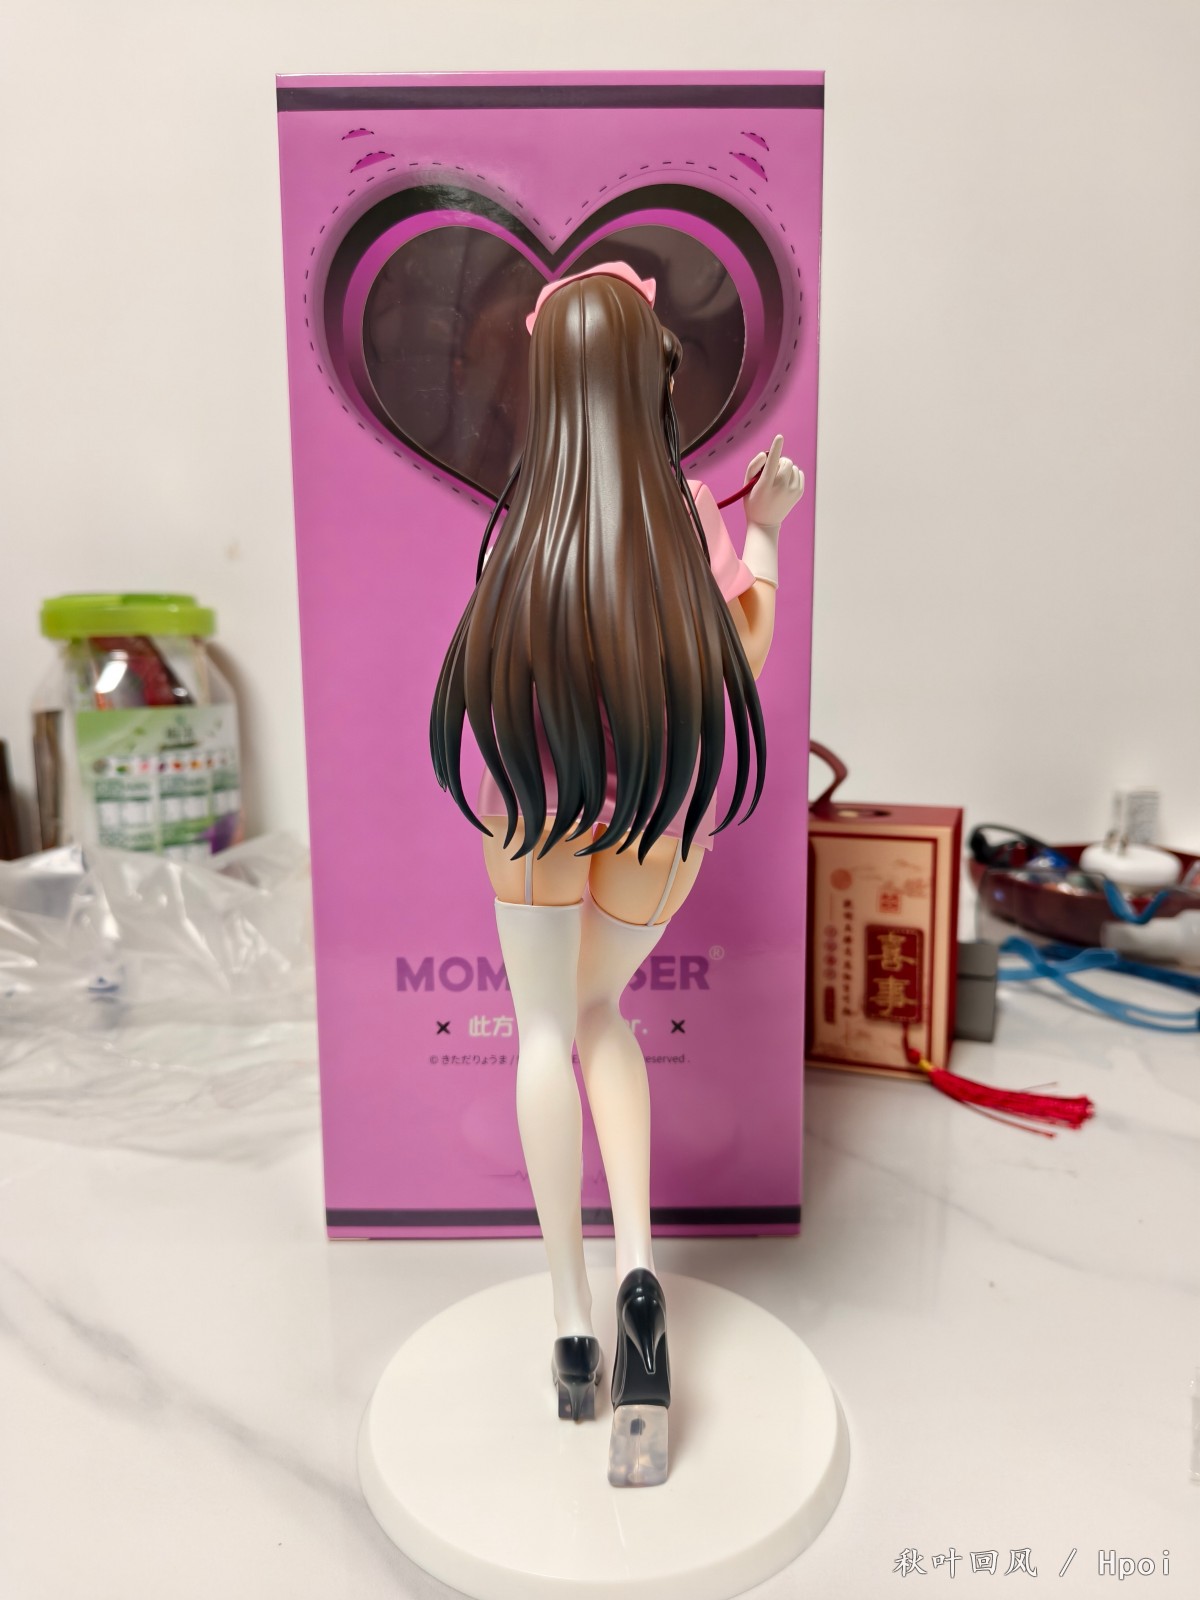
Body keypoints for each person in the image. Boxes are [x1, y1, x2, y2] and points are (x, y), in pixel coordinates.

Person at [430, 261, 804, 1486]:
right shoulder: (687, 513)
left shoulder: (523, 529)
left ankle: (571, 1322)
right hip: (655, 822)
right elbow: (743, 654)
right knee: (602, 1012)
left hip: (536, 814)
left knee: (545, 1027)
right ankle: (642, 1266)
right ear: (653, 375)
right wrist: (764, 529)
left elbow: (495, 680)